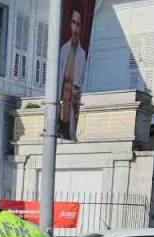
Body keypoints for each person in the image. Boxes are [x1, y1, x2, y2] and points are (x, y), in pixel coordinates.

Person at [57, 5, 88, 140]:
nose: (75, 28)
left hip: (73, 105)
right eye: (73, 23)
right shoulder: (63, 50)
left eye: (78, 24)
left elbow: (83, 82)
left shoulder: (82, 55)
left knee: (71, 135)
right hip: (60, 103)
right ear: (70, 24)